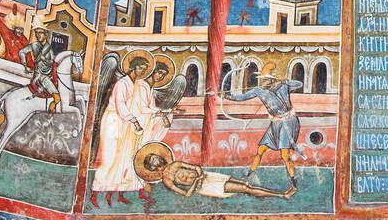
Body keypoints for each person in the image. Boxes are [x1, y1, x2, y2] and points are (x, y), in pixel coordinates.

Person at [90, 51, 169, 207]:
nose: (142, 72)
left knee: (122, 159)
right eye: (140, 68)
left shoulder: (135, 85)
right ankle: (95, 193)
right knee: (110, 158)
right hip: (114, 122)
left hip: (125, 124)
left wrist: (157, 115)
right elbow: (121, 105)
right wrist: (134, 121)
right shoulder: (123, 83)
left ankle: (117, 194)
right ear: (133, 68)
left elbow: (141, 108)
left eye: (144, 70)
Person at [224, 66, 303, 190]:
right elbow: (243, 97)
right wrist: (228, 96)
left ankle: (293, 180)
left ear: (271, 79)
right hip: (275, 124)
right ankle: (249, 174)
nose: (263, 82)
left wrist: (284, 81)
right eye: (262, 79)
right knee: (261, 149)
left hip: (288, 122)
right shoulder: (259, 91)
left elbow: (299, 84)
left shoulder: (283, 86)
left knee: (285, 155)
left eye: (265, 79)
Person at [135, 142, 293, 202]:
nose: (157, 160)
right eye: (153, 161)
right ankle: (281, 194)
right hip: (205, 187)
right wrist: (196, 181)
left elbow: (195, 167)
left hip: (210, 177)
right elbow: (186, 194)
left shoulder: (175, 165)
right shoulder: (167, 181)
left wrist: (198, 172)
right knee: (246, 189)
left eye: (156, 157)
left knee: (246, 184)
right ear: (152, 167)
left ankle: (280, 194)